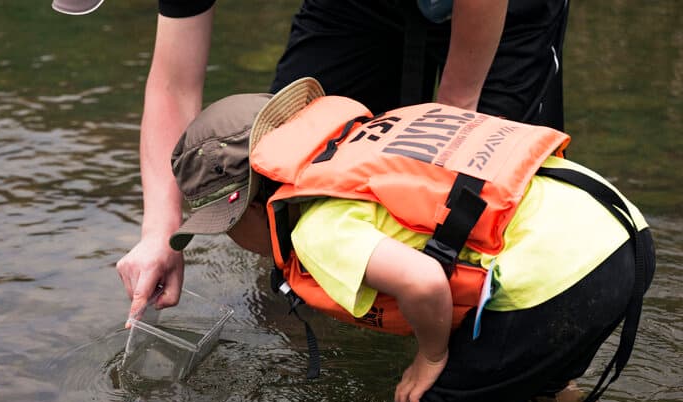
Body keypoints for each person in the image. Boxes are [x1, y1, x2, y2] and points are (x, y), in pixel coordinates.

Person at [164, 78, 655, 402]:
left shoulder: (318, 229)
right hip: (620, 231)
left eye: (224, 225)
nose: (230, 239)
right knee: (549, 380)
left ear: (251, 206)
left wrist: (431, 357)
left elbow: (422, 281)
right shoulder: (363, 145)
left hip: (557, 280)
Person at [52, 0, 570, 321]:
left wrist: (452, 116)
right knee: (280, 182)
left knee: (491, 217)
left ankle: (538, 393)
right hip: (356, 8)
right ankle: (321, 336)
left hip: (500, 9)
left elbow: (458, 112)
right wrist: (159, 235)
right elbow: (172, 84)